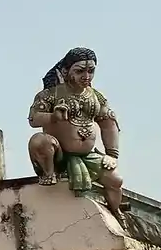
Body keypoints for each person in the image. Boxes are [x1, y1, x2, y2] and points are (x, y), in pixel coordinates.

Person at [28, 47, 124, 219]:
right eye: (80, 71)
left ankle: (116, 212)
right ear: (65, 71)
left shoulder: (96, 97)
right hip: (58, 154)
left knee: (116, 181)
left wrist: (112, 154)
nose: (86, 76)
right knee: (39, 141)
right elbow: (34, 119)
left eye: (91, 71)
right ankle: (49, 174)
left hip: (88, 155)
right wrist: (53, 116)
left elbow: (109, 123)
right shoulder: (51, 94)